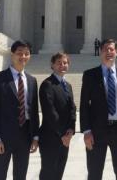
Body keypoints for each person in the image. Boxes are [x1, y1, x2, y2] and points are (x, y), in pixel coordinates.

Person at [80, 39, 117, 180]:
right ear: (100, 52)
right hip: (97, 130)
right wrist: (86, 131)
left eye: (111, 49)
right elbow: (84, 105)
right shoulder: (90, 75)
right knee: (94, 171)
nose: (109, 52)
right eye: (105, 49)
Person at [0, 40, 39, 180]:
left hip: (25, 135)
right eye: (19, 53)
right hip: (4, 136)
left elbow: (33, 111)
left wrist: (35, 136)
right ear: (12, 55)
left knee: (21, 173)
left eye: (26, 54)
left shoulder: (32, 80)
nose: (23, 57)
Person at [39, 52, 76, 180]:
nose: (62, 65)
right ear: (52, 65)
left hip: (65, 138)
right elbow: (50, 112)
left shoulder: (68, 86)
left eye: (65, 63)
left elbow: (72, 109)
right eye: (59, 63)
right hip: (51, 138)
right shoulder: (47, 84)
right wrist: (62, 135)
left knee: (59, 172)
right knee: (48, 173)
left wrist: (71, 130)